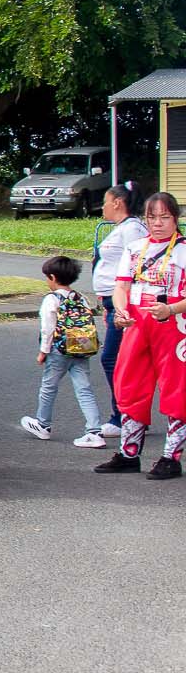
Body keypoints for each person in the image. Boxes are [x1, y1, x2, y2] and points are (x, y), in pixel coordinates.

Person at [95, 192, 186, 479]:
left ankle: (171, 457)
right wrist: (121, 312)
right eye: (151, 217)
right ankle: (128, 452)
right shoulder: (135, 248)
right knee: (129, 384)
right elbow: (120, 287)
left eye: (164, 217)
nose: (157, 223)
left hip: (174, 325)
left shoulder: (184, 250)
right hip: (136, 323)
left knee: (176, 389)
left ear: (176, 218)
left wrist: (171, 309)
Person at [20, 256, 105, 448]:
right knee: (84, 389)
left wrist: (43, 351)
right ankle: (94, 431)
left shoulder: (51, 299)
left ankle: (43, 424)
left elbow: (48, 328)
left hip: (59, 350)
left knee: (49, 387)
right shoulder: (81, 297)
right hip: (81, 348)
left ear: (52, 277)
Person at [93, 184, 145, 438]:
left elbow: (138, 268)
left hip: (125, 306)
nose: (102, 206)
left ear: (118, 202)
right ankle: (127, 415)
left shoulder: (133, 229)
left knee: (114, 359)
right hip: (113, 304)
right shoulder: (121, 229)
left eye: (105, 200)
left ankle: (124, 415)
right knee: (116, 359)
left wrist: (123, 306)